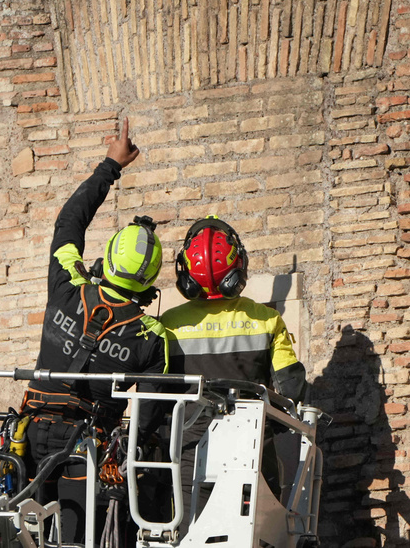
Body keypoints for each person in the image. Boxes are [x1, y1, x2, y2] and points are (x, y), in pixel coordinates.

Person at [20, 118, 169, 544]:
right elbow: (152, 413)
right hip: (88, 452)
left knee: (20, 534)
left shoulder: (68, 285)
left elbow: (68, 223)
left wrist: (111, 165)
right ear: (150, 279)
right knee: (79, 539)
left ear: (108, 256)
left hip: (28, 434)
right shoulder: (151, 336)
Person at [158, 216, 308, 529]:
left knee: (188, 534)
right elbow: (291, 389)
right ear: (237, 268)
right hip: (251, 453)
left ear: (185, 273)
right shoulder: (266, 320)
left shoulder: (167, 325)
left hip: (187, 454)